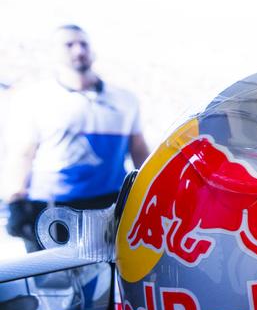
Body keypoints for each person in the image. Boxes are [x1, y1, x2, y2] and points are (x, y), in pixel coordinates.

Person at [1, 25, 149, 251]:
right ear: (54, 53)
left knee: (107, 279)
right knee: (54, 282)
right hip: (50, 209)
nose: (78, 50)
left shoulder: (124, 99)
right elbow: (22, 154)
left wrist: (154, 188)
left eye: (84, 44)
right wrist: (15, 201)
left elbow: (139, 149)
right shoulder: (34, 98)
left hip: (110, 207)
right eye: (69, 44)